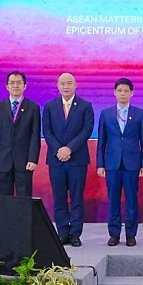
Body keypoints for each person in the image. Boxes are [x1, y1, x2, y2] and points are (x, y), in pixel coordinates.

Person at [42, 73, 94, 247]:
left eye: (69, 83)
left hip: (77, 159)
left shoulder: (85, 106)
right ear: (58, 86)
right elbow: (47, 131)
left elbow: (87, 130)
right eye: (62, 83)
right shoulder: (50, 106)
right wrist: (59, 150)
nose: (66, 86)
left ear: (75, 85)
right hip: (56, 160)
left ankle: (75, 234)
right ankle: (62, 233)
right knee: (59, 197)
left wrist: (69, 148)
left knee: (77, 197)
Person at [97, 78, 143, 247]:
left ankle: (131, 235)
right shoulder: (106, 113)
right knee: (113, 199)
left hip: (132, 163)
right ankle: (114, 234)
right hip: (112, 163)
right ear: (114, 92)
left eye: (126, 91)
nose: (123, 94)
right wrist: (100, 164)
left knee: (132, 200)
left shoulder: (140, 114)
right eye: (120, 90)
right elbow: (101, 142)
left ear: (131, 93)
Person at [0, 71, 41, 197]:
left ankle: (23, 218)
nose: (15, 86)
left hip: (24, 161)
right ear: (7, 86)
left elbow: (35, 135)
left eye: (19, 83)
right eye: (12, 83)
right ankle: (5, 218)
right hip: (3, 160)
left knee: (24, 197)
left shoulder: (33, 107)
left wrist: (33, 159)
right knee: (3, 198)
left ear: (25, 86)